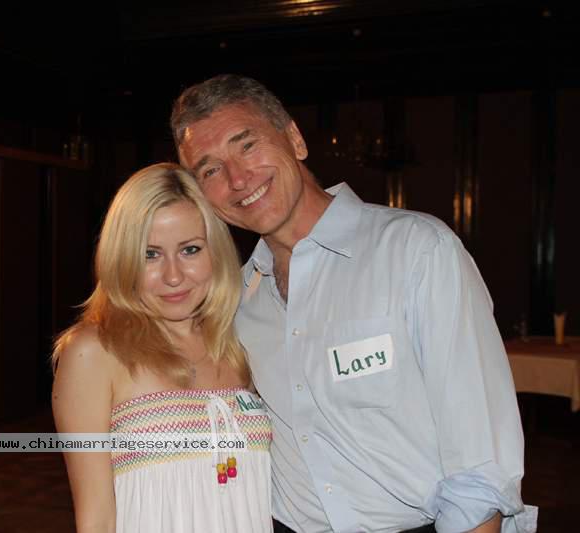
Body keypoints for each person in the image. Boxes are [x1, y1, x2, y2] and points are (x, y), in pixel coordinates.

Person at [170, 74, 537, 533]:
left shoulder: (416, 251)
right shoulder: (236, 303)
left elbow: (481, 464)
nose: (238, 179)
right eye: (210, 171)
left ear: (294, 139)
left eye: (247, 145)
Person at [51, 162, 273, 533]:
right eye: (149, 254)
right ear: (121, 258)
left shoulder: (240, 342)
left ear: (216, 252)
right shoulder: (95, 352)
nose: (173, 276)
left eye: (190, 250)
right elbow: (96, 520)